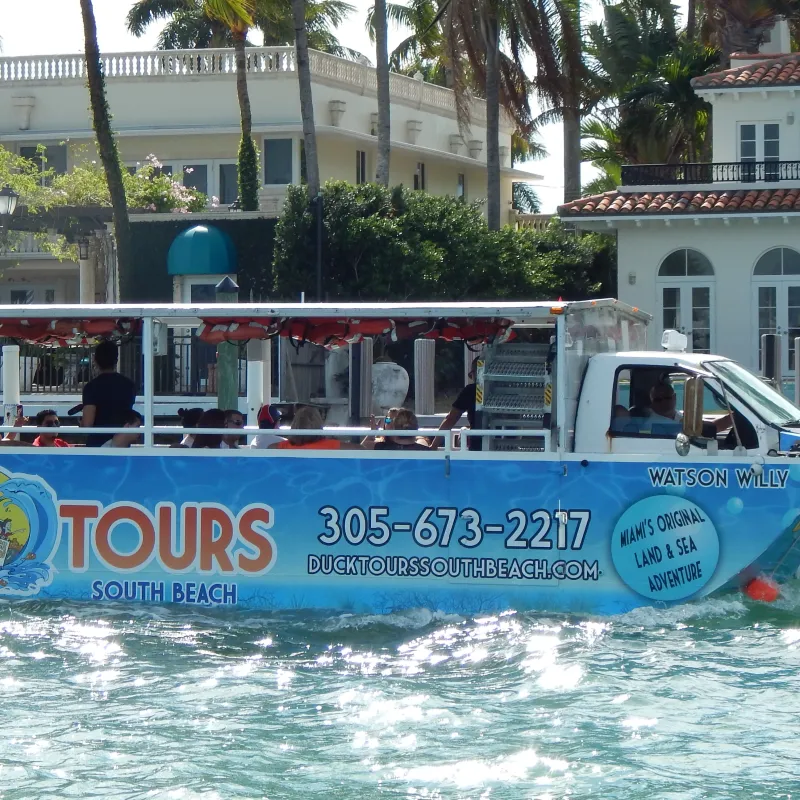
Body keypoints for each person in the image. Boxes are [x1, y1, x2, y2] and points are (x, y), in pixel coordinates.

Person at [81, 340, 137, 447]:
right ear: (116, 360)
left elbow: (87, 424)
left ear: (95, 360)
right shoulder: (129, 385)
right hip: (122, 442)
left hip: (98, 444)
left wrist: (82, 423)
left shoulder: (92, 387)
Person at [272, 406, 361, 450]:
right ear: (319, 425)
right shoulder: (331, 446)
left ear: (295, 425)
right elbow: (362, 450)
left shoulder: (279, 448)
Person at [437, 363, 479, 450]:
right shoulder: (510, 392)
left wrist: (434, 446)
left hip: (478, 448)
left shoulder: (471, 391)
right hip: (511, 451)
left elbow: (451, 419)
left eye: (471, 375)